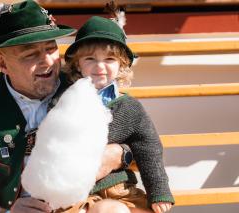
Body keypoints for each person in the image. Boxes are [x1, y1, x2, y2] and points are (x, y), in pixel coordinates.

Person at [0, 1, 143, 213]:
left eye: (51, 49)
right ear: (3, 63)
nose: (47, 62)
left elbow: (143, 138)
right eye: (30, 55)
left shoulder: (84, 83)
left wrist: (121, 153)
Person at [62, 16, 175, 213]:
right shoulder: (63, 101)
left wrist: (158, 190)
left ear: (121, 65)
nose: (100, 66)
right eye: (90, 59)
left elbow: (148, 147)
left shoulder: (129, 108)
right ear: (77, 64)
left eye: (109, 59)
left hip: (120, 190)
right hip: (76, 194)